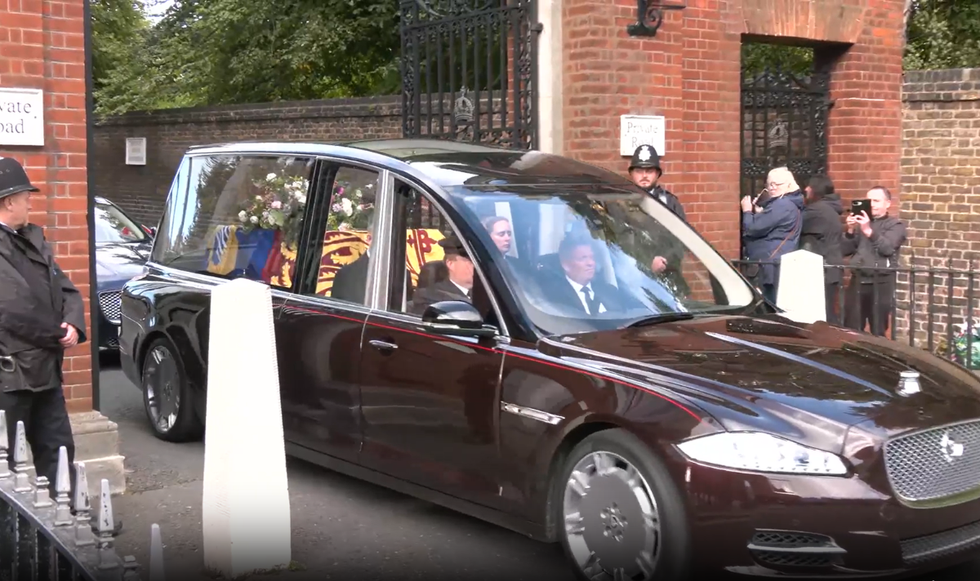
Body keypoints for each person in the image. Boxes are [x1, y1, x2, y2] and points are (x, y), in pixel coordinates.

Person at [0, 157, 120, 533]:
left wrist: (72, 323)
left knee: (58, 447)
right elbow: (10, 308)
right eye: (25, 197)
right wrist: (57, 332)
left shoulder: (33, 238)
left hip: (45, 369)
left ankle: (70, 521)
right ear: (7, 202)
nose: (30, 204)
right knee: (12, 460)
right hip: (12, 372)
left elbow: (66, 287)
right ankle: (19, 537)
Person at [842, 186, 907, 337]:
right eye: (869, 200)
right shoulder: (862, 224)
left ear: (887, 203)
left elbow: (888, 248)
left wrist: (868, 231)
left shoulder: (895, 225)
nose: (871, 204)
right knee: (851, 327)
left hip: (881, 282)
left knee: (878, 328)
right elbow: (845, 251)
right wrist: (850, 230)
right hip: (858, 280)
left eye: (876, 201)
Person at [740, 167, 805, 304]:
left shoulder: (782, 205)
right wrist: (760, 214)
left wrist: (747, 211)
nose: (772, 187)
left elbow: (752, 228)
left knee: (766, 309)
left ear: (788, 184)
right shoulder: (790, 204)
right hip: (776, 264)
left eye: (777, 184)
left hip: (768, 267)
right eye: (769, 184)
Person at [799, 174, 845, 324]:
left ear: (815, 190)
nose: (805, 189)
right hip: (830, 268)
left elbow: (793, 225)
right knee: (828, 310)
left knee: (822, 316)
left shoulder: (817, 210)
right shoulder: (829, 209)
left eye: (809, 186)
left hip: (822, 270)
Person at [548, 236, 630, 316]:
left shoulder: (609, 291)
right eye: (583, 258)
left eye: (592, 257)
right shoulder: (554, 298)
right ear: (566, 264)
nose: (591, 263)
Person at [410, 233, 474, 314]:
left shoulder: (485, 292)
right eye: (470, 262)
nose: (476, 267)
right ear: (451, 264)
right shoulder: (431, 298)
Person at [627, 144, 685, 222]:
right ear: (631, 173)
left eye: (649, 171)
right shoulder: (623, 200)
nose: (644, 176)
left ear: (658, 174)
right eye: (639, 171)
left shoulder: (670, 203)